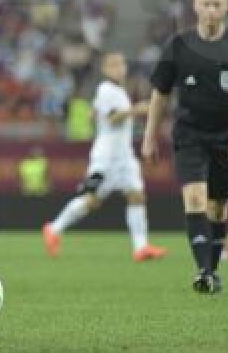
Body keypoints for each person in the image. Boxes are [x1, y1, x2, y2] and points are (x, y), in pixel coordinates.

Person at [141, 0, 228, 294]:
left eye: (217, 5)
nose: (211, 10)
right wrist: (149, 137)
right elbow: (160, 94)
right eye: (206, 4)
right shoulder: (178, 46)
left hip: (227, 137)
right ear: (195, 6)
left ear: (226, 7)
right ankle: (204, 272)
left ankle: (212, 270)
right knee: (195, 197)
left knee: (218, 208)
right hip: (189, 135)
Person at [43, 52, 169, 262]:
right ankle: (54, 228)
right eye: (113, 65)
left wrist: (95, 113)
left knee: (137, 195)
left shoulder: (115, 91)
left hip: (124, 155)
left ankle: (141, 247)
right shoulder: (106, 89)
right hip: (107, 157)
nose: (119, 68)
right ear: (104, 69)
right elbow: (112, 118)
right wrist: (136, 109)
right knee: (92, 200)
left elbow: (95, 113)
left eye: (121, 64)